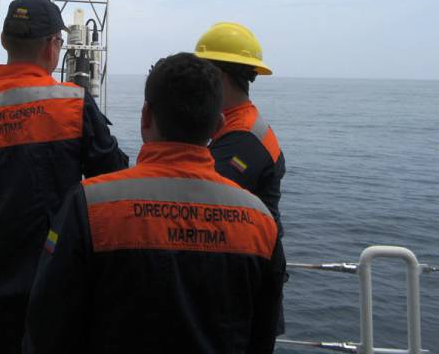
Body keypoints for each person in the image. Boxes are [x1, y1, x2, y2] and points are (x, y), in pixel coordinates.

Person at [24, 52, 285, 354]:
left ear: (145, 116)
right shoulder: (259, 223)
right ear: (218, 125)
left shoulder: (90, 205)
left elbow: (48, 323)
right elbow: (262, 335)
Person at [0, 0, 128, 354]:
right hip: (51, 295)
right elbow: (113, 180)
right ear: (53, 46)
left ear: (4, 41)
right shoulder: (73, 105)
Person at [194, 23, 285, 235]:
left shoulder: (243, 138)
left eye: (199, 73)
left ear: (217, 76)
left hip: (252, 249)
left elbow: (199, 195)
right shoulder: (236, 122)